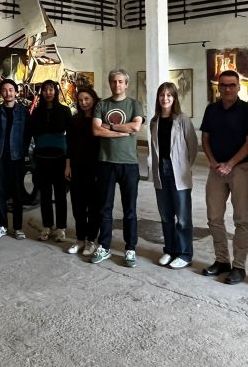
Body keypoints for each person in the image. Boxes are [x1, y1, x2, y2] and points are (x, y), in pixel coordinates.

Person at [200, 70, 248, 284]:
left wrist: (230, 164)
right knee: (214, 217)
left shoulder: (247, 110)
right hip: (216, 170)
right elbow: (205, 138)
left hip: (241, 169)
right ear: (218, 87)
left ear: (239, 87)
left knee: (241, 219)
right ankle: (222, 260)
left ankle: (239, 267)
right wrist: (213, 162)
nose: (228, 89)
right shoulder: (211, 109)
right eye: (223, 85)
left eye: (232, 85)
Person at [91, 68, 143, 268]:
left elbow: (135, 127)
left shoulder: (134, 104)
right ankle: (104, 246)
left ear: (126, 84)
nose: (117, 85)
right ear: (110, 83)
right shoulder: (102, 105)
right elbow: (96, 130)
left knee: (130, 209)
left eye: (121, 81)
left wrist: (110, 126)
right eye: (114, 81)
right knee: (105, 207)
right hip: (106, 162)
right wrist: (123, 131)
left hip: (129, 164)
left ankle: (130, 248)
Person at [150, 82, 198, 269]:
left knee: (183, 217)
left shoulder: (182, 119)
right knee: (166, 215)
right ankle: (170, 250)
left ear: (175, 98)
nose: (165, 98)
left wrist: (183, 166)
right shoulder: (155, 121)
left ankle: (185, 254)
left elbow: (192, 146)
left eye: (169, 95)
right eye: (162, 95)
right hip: (160, 171)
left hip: (178, 171)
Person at [30, 80, 72, 242]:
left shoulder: (64, 110)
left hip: (59, 159)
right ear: (41, 92)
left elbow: (71, 137)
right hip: (41, 159)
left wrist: (69, 162)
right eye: (45, 90)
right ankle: (47, 226)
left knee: (60, 195)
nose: (48, 93)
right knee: (45, 195)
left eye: (51, 89)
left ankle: (61, 228)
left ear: (56, 91)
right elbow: (33, 135)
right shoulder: (36, 112)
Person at [0, 79, 30, 240]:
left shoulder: (23, 112)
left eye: (11, 89)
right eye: (5, 90)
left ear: (16, 92)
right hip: (0, 157)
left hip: (17, 157)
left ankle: (18, 227)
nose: (8, 93)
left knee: (17, 193)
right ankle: (1, 226)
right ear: (1, 93)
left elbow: (27, 134)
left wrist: (24, 152)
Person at [65, 87, 101, 256]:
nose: (83, 103)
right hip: (77, 167)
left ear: (93, 99)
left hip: (95, 168)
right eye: (80, 100)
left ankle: (91, 240)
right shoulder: (74, 120)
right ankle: (80, 239)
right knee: (78, 205)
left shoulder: (99, 120)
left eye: (87, 99)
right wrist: (68, 166)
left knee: (93, 206)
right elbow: (69, 144)